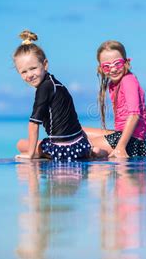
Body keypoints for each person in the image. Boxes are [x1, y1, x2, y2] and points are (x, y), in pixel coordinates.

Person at [14, 30, 91, 162]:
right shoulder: (56, 84)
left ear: (45, 64)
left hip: (63, 150)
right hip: (80, 145)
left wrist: (31, 154)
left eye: (33, 68)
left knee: (21, 144)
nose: (29, 75)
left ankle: (40, 153)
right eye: (24, 72)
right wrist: (87, 145)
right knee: (26, 143)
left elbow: (33, 124)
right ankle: (90, 151)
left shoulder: (44, 88)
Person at [85, 40, 146, 158]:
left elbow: (135, 115)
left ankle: (99, 154)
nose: (113, 70)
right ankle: (100, 152)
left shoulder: (128, 80)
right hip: (124, 138)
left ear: (126, 62)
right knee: (78, 131)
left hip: (132, 143)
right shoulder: (113, 85)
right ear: (100, 69)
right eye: (107, 66)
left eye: (117, 64)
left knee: (79, 146)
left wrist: (120, 147)